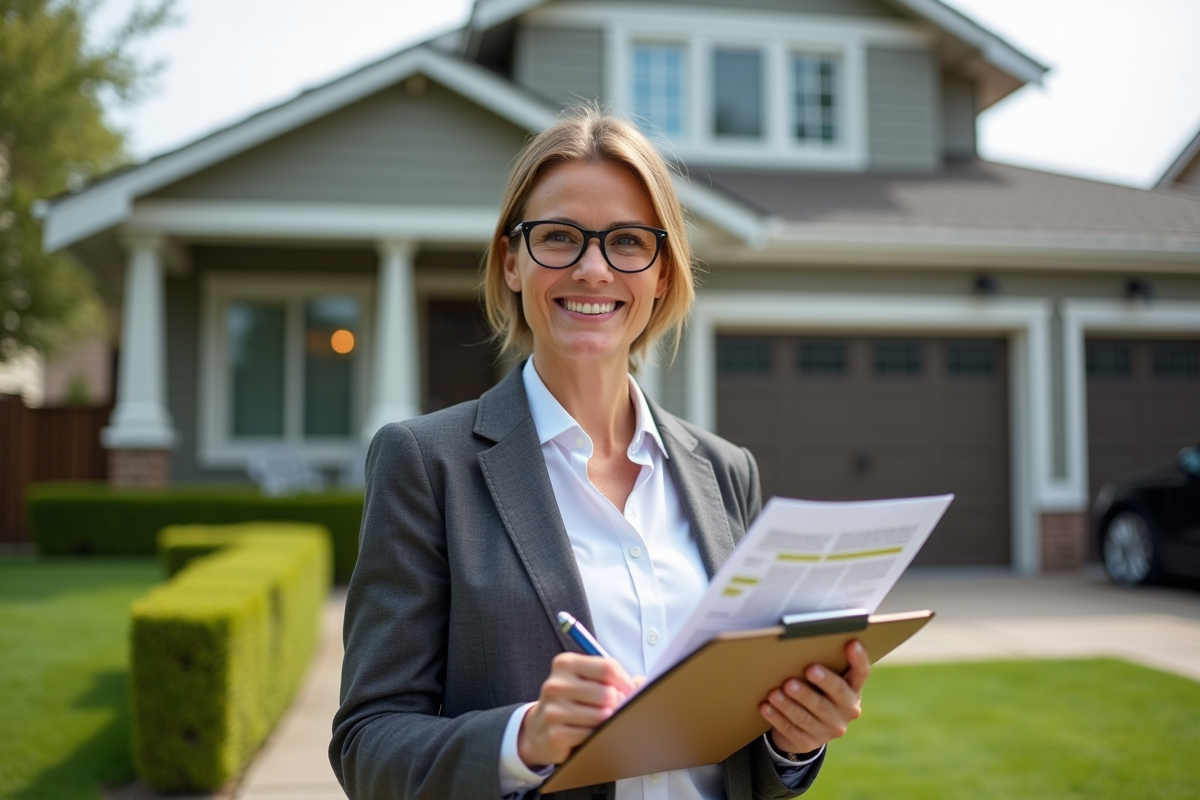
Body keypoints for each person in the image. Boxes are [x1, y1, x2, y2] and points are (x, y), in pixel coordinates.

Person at [329, 108, 871, 800]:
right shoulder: (426, 465)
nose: (592, 269)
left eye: (627, 241)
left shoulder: (725, 471)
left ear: (663, 274)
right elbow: (368, 742)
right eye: (559, 237)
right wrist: (523, 739)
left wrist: (791, 741)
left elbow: (744, 758)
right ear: (512, 261)